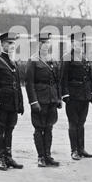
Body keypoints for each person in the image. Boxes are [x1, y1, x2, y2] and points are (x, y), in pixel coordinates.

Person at [0, 32, 24, 171]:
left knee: (10, 130)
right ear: (2, 44)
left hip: (13, 102)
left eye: (13, 43)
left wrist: (20, 103)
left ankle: (8, 157)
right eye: (9, 43)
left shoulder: (14, 63)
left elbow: (18, 84)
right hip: (2, 103)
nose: (11, 46)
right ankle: (1, 158)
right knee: (1, 130)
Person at [25, 32, 62, 167]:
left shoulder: (52, 60)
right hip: (39, 101)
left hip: (51, 100)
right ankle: (40, 157)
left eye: (47, 43)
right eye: (43, 43)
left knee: (49, 128)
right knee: (39, 128)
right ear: (38, 44)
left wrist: (58, 98)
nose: (45, 45)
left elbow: (56, 81)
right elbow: (29, 83)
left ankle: (48, 155)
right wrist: (33, 102)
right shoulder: (33, 61)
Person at [61, 31, 92, 160]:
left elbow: (90, 76)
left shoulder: (85, 57)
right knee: (73, 123)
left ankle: (81, 149)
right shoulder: (67, 57)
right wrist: (65, 94)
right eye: (78, 41)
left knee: (81, 123)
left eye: (82, 41)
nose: (80, 44)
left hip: (85, 95)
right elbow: (63, 78)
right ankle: (74, 150)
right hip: (73, 96)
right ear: (72, 43)